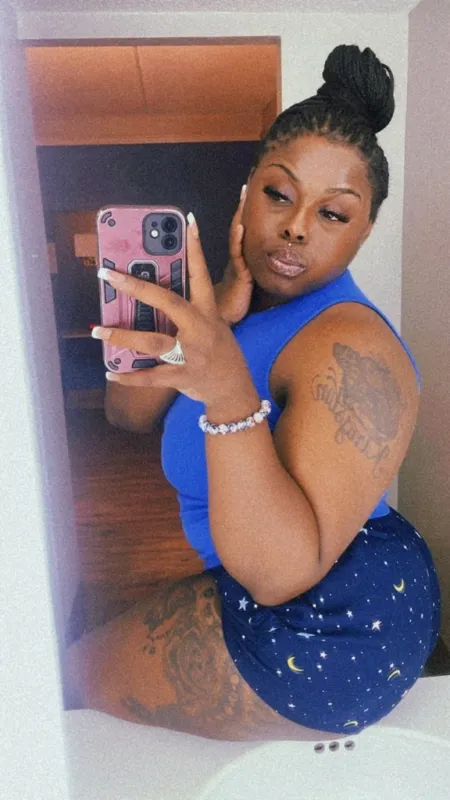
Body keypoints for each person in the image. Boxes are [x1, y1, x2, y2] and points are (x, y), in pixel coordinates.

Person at [64, 44, 441, 742]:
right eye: (279, 194)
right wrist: (217, 318)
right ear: (247, 193)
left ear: (365, 230)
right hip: (260, 574)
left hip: (336, 625)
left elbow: (278, 575)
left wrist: (230, 391)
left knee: (68, 679)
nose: (296, 226)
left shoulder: (354, 346)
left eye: (334, 214)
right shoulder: (228, 308)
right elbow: (126, 414)